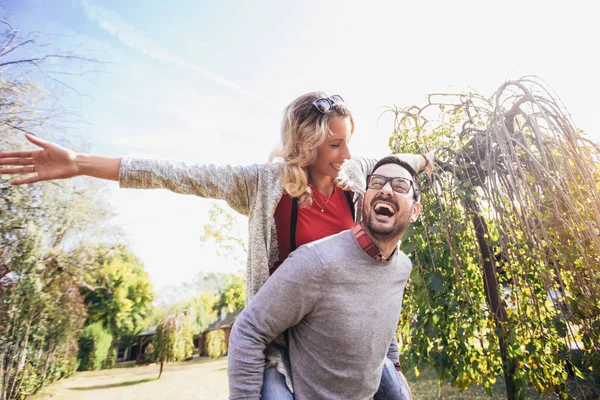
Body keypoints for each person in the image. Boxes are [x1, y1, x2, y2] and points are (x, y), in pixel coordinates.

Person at [0, 92, 430, 398]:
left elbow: (405, 164)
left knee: (394, 387)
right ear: (309, 144)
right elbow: (178, 172)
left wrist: (438, 158)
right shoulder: (263, 185)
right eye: (335, 143)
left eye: (347, 140)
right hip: (281, 338)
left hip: (338, 334)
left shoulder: (355, 176)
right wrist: (80, 163)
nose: (346, 151)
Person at [228, 156, 421, 399]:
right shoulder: (315, 261)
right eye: (377, 182)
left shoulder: (402, 267)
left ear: (415, 211)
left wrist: (395, 367)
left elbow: (384, 322)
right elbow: (248, 330)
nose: (385, 189)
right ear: (364, 200)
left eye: (400, 186)